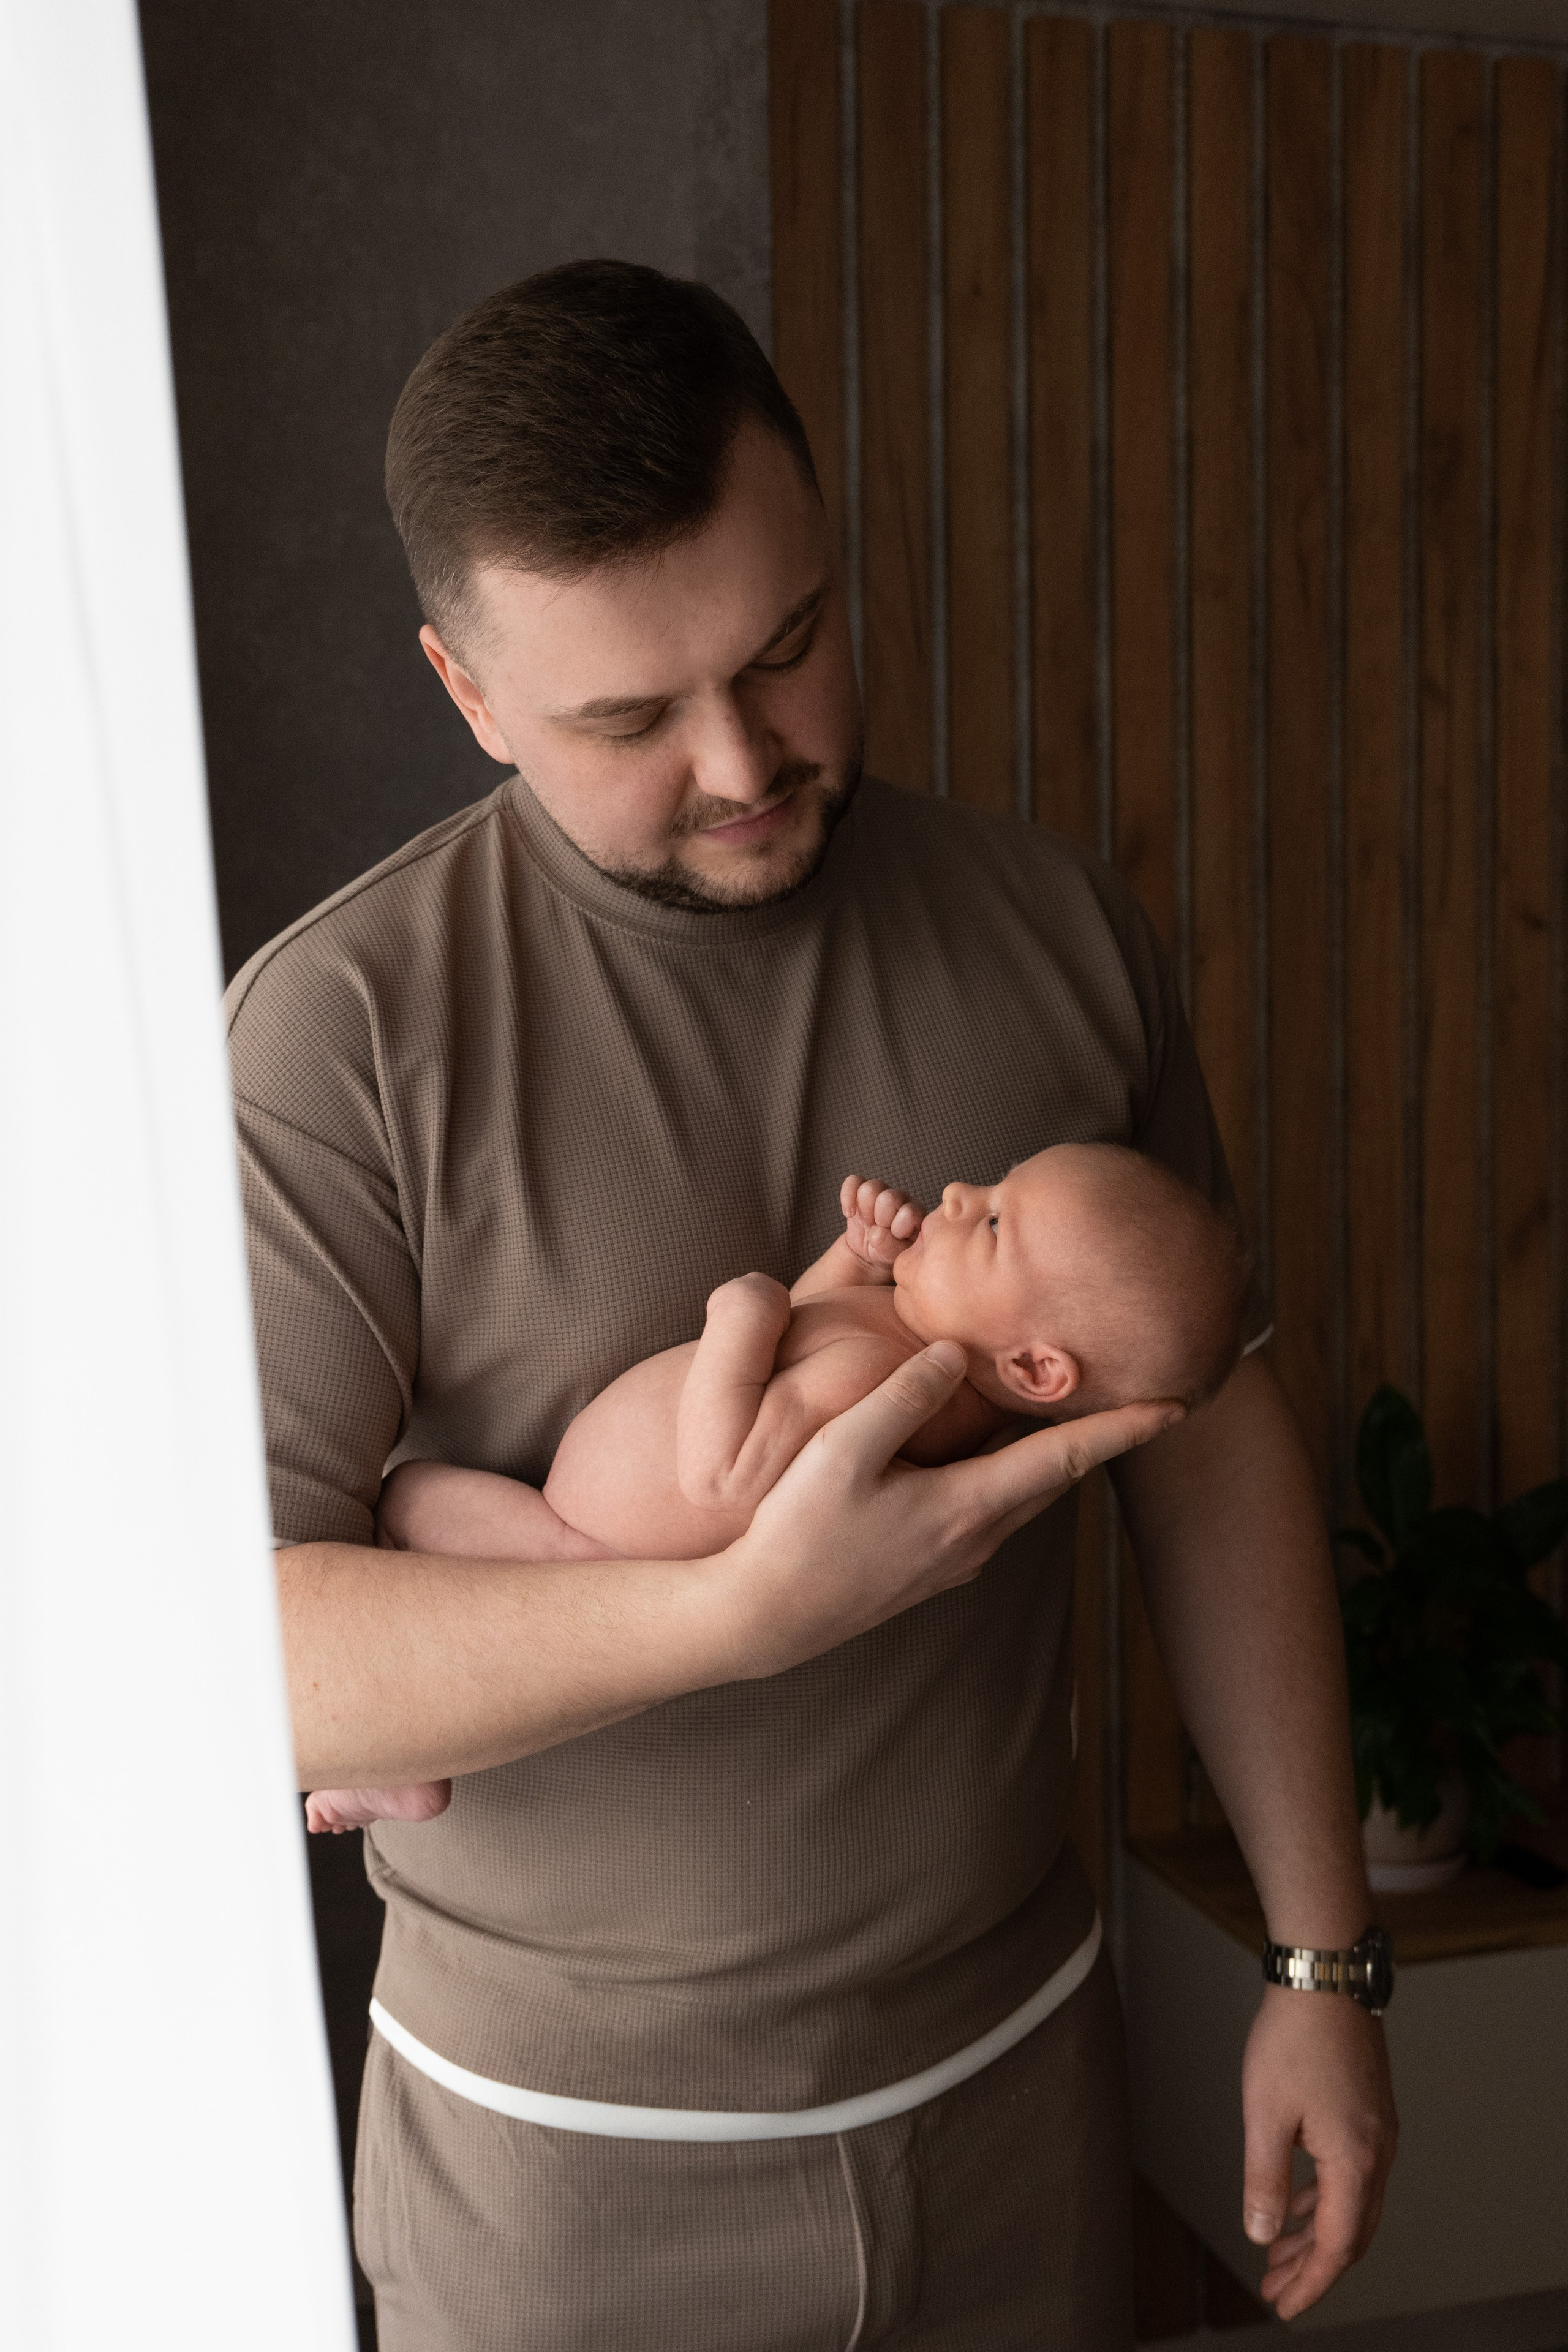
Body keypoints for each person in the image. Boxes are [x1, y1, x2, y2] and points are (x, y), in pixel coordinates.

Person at [232, 260, 1395, 2350]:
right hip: (567, 2194)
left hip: (1021, 2098)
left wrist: (1321, 1964)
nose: (748, 760)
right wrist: (732, 1616)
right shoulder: (339, 1040)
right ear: (470, 695)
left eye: (793, 648)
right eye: (626, 718)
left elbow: (1203, 1442)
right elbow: (233, 1655)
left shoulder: (1056, 937)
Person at [305, 1145, 1248, 1834]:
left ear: (1039, 1370)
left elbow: (725, 1469)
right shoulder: (907, 1349)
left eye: (995, 1222)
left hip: (577, 1547)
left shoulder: (879, 1383)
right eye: (993, 1185)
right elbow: (817, 1319)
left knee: (407, 1498)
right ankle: (402, 1763)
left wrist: (739, 1312)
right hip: (580, 1530)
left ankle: (400, 1763)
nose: (963, 1192)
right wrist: (857, 1255)